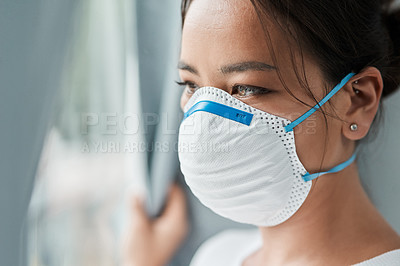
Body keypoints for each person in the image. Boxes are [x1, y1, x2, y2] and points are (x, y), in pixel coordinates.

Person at [124, 0, 400, 265]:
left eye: (247, 88)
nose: (206, 122)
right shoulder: (217, 255)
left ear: (357, 101)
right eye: (191, 85)